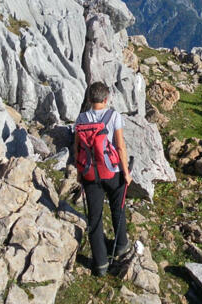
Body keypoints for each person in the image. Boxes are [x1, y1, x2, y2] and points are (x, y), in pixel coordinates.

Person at [74, 82, 133, 276]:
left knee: (95, 217)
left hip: (90, 173)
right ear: (106, 99)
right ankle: (120, 246)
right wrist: (126, 172)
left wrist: (79, 172)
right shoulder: (113, 116)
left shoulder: (81, 119)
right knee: (118, 208)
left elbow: (77, 149)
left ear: (89, 99)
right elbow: (120, 146)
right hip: (112, 171)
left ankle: (100, 265)